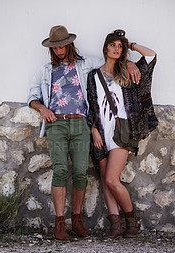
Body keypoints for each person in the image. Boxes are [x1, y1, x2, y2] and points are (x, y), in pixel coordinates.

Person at [27, 25, 141, 241]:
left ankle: (77, 219)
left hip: (80, 125)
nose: (59, 51)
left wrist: (130, 62)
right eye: (55, 47)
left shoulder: (86, 63)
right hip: (56, 125)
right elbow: (32, 96)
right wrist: (43, 109)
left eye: (61, 46)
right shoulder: (44, 70)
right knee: (60, 170)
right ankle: (60, 224)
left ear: (69, 44)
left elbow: (112, 62)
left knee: (80, 172)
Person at [87, 29, 158, 239]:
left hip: (122, 131)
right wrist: (93, 130)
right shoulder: (94, 76)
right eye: (113, 45)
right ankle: (116, 227)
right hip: (101, 131)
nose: (117, 49)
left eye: (120, 45)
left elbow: (152, 56)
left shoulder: (127, 72)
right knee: (104, 178)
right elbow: (91, 105)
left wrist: (131, 47)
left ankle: (132, 222)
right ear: (105, 48)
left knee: (111, 179)